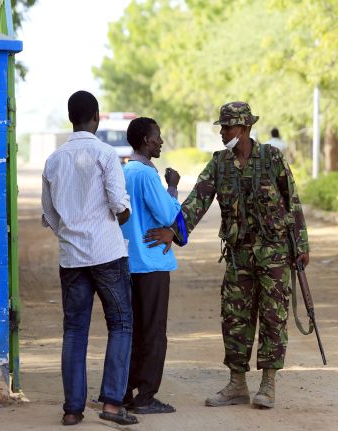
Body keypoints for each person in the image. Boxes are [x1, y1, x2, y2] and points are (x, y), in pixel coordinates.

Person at [145, 102, 309, 409]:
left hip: (274, 254)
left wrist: (301, 246)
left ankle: (268, 384)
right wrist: (174, 230)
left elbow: (293, 202)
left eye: (227, 127)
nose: (222, 133)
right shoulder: (219, 164)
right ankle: (237, 385)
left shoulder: (271, 158)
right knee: (235, 318)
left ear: (244, 128)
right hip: (238, 255)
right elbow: (197, 200)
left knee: (274, 318)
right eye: (221, 127)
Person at [41, 90, 138, 426]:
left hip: (71, 258)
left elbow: (50, 215)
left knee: (75, 330)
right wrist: (121, 218)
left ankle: (72, 409)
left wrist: (73, 231)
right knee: (121, 324)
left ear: (71, 118)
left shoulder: (53, 160)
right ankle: (112, 404)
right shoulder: (105, 154)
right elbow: (120, 206)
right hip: (107, 253)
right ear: (96, 117)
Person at [120, 117, 186, 414]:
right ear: (146, 140)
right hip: (152, 262)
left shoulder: (125, 171)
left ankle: (122, 390)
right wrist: (172, 188)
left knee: (132, 330)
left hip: (128, 262)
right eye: (158, 137)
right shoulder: (147, 174)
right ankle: (145, 396)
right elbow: (166, 215)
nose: (161, 142)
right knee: (154, 332)